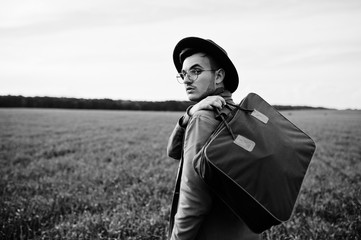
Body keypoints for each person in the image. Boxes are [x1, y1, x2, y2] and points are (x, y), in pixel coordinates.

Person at [167, 37, 261, 240]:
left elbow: (194, 198)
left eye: (196, 71)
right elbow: (174, 151)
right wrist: (188, 115)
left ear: (219, 76)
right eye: (183, 73)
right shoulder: (241, 114)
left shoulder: (204, 118)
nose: (187, 79)